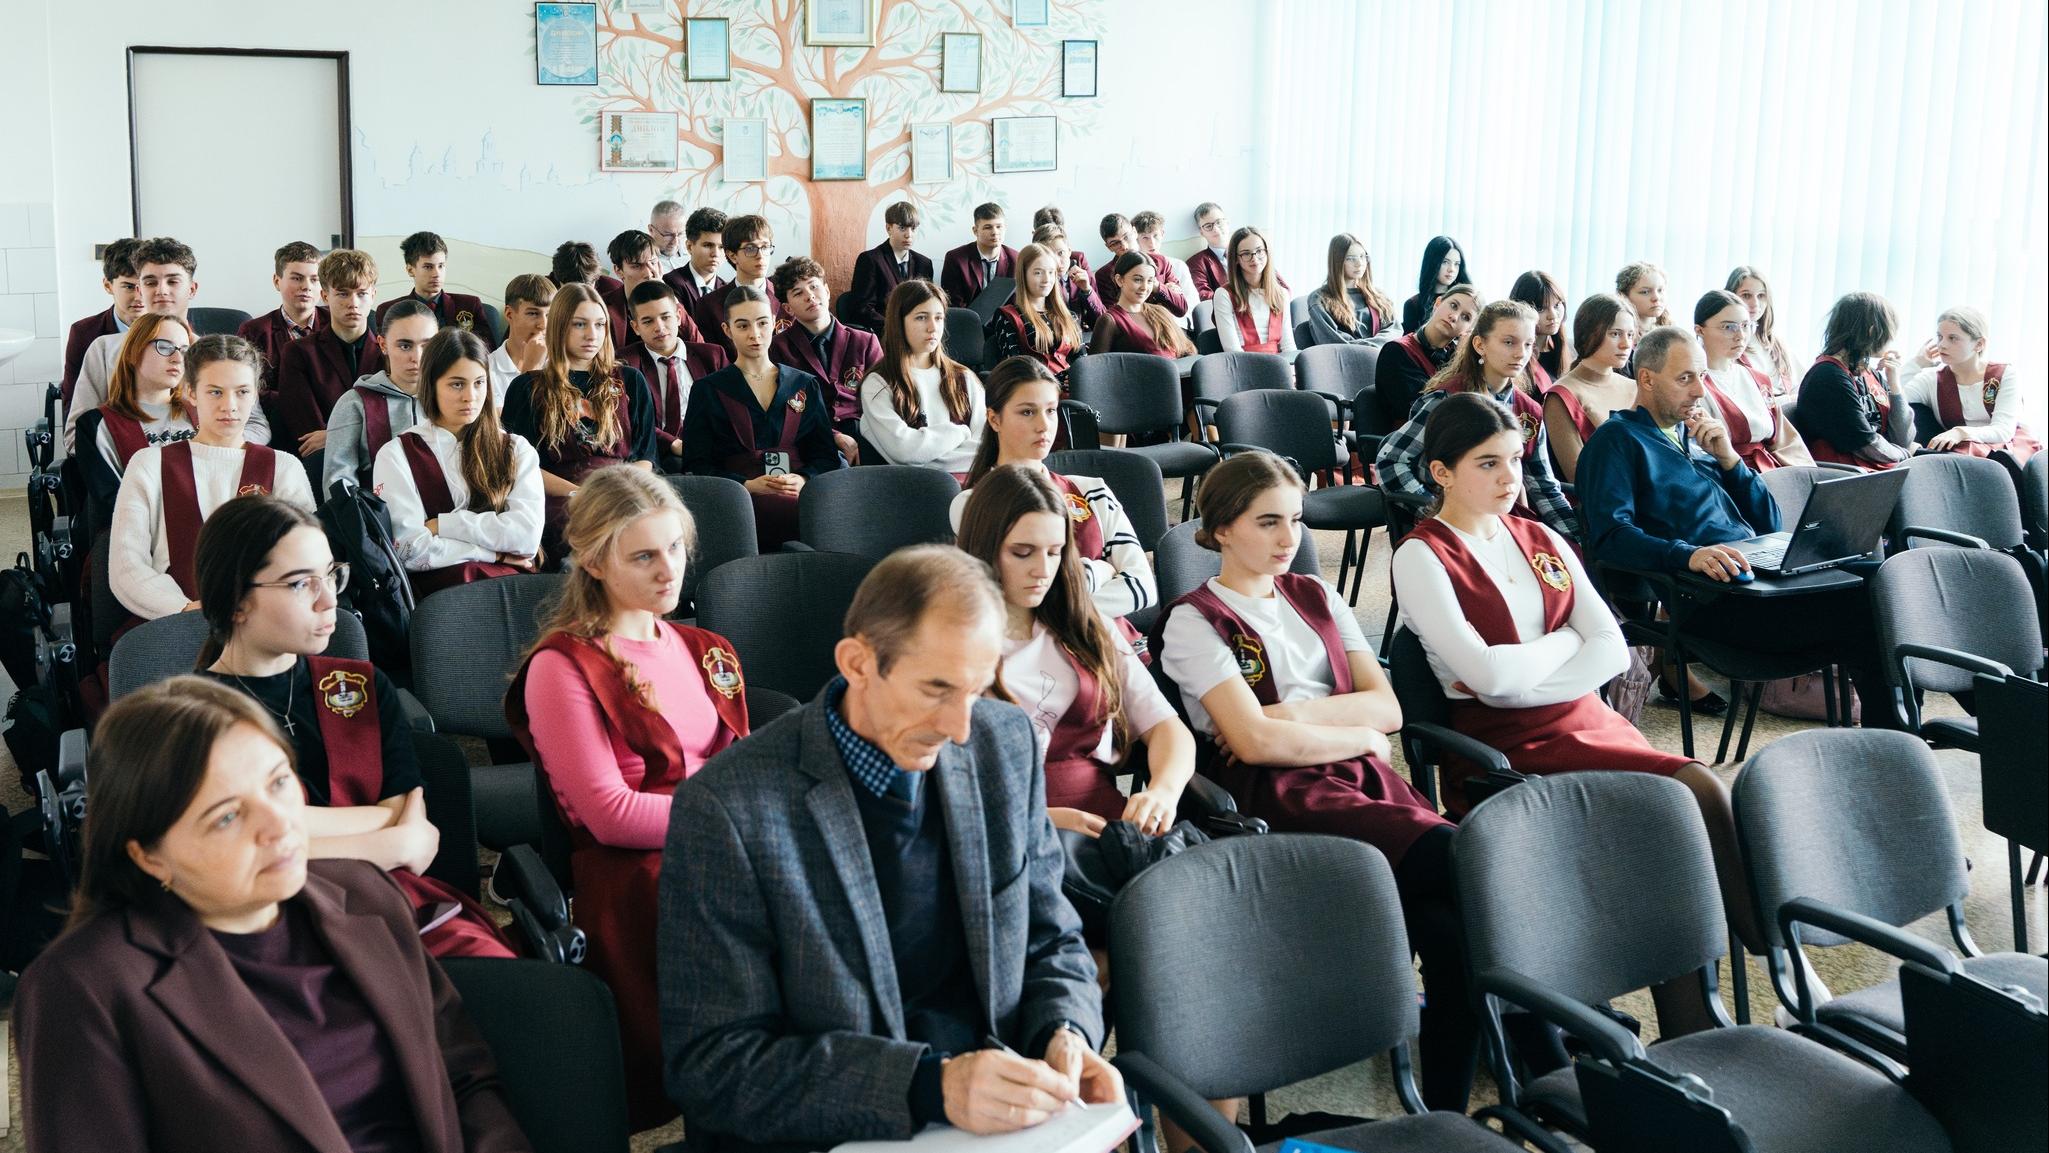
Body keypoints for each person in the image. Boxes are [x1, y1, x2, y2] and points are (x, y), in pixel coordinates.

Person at [659, 545, 1117, 1148]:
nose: (959, 727)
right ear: (857, 662)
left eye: (977, 690)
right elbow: (714, 1064)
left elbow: (1051, 936)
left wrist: (1062, 1031)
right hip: (838, 1128)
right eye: (936, 688)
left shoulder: (1002, 744)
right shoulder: (727, 811)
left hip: (997, 1114)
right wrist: (928, 1087)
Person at [15, 677, 532, 1153]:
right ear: (150, 856)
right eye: (227, 816)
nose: (279, 826)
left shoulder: (366, 895)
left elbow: (464, 1078)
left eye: (279, 782)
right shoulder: (83, 989)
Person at [1394, 392, 1762, 1024]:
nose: (1510, 478)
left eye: (1515, 459)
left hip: (1590, 723)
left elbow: (1613, 652)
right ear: (1441, 472)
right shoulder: (1421, 555)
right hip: (1503, 749)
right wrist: (1565, 646)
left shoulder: (1539, 537)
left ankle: (1704, 1002)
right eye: (1488, 464)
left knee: (1682, 815)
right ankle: (1765, 949)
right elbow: (1487, 680)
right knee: (1691, 791)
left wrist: (1533, 662)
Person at [1152, 451, 1474, 1110]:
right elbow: (1253, 742)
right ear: (1218, 528)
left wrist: (1293, 714)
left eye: (1294, 521)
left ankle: (1444, 1108)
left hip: (1356, 775)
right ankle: (1537, 1037)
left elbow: (1386, 708)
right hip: (1277, 792)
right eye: (1266, 521)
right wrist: (1352, 734)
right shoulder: (1192, 619)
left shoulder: (1318, 595)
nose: (1286, 539)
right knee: (1466, 859)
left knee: (1452, 929)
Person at [506, 466, 750, 1129]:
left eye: (674, 547)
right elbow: (609, 813)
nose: (667, 568)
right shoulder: (563, 667)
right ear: (591, 559)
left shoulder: (703, 648)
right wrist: (734, 822)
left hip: (717, 838)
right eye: (643, 555)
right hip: (636, 867)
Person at [194, 495, 517, 959]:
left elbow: (414, 830)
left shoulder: (360, 685)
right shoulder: (192, 715)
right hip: (268, 919)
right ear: (236, 600)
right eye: (301, 583)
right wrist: (390, 842)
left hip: (388, 901)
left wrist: (307, 835)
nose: (330, 600)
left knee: (491, 974)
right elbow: (246, 851)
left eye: (330, 574)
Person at [1578, 326, 1893, 723]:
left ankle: (1897, 738)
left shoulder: (1696, 437)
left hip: (1755, 577)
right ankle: (1899, 738)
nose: (1698, 391)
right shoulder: (1616, 441)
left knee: (1885, 578)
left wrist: (1729, 459)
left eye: (1702, 376)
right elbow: (1610, 538)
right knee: (1867, 612)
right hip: (1706, 600)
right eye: (1685, 378)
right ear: (1646, 379)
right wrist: (1688, 555)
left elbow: (1770, 522)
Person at [959, 462, 1192, 836]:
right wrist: (1043, 821)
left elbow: (1167, 730)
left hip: (1103, 822)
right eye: (1022, 553)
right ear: (984, 549)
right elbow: (929, 781)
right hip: (999, 829)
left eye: (1054, 552)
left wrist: (1162, 792)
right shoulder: (948, 638)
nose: (1042, 570)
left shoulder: (1086, 624)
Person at [111, 336, 314, 623]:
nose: (229, 405)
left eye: (242, 392)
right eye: (215, 392)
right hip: (173, 624)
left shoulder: (283, 467)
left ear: (255, 394)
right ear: (191, 392)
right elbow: (126, 565)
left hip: (264, 624)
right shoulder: (149, 465)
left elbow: (305, 560)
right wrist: (183, 610)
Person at [953, 357, 1158, 624]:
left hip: (1113, 646)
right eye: (1027, 412)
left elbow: (1142, 588)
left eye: (1051, 411)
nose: (1044, 425)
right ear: (994, 419)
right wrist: (1098, 571)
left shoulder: (1092, 491)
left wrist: (1060, 606)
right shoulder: (971, 503)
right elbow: (1011, 607)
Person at [1376, 300, 1579, 540]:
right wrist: (1437, 513)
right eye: (1508, 342)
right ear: (1480, 345)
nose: (1520, 353)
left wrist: (1578, 538)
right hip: (1451, 521)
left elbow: (1543, 484)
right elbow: (1390, 460)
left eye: (1528, 344)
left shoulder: (1529, 411)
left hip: (1500, 519)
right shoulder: (1448, 400)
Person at [374, 329, 543, 597]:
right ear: (431, 385)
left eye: (479, 383)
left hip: (514, 592)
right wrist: (494, 553)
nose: (470, 397)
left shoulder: (516, 449)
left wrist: (442, 526)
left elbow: (526, 539)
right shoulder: (396, 454)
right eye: (456, 384)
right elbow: (409, 550)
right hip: (441, 599)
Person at [501, 284, 660, 562]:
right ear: (560, 326)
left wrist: (621, 493)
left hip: (622, 492)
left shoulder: (630, 380)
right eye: (579, 324)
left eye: (599, 324)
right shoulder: (527, 387)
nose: (592, 334)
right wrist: (581, 494)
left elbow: (645, 457)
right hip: (561, 497)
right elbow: (522, 467)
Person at [683, 286, 845, 548]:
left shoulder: (804, 384)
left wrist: (803, 478)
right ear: (727, 330)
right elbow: (696, 464)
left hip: (798, 496)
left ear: (774, 324)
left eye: (761, 323)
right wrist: (746, 485)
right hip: (736, 502)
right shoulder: (707, 389)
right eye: (743, 326)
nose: (755, 335)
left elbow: (825, 455)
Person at [68, 237, 240, 452]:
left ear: (192, 289)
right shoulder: (103, 350)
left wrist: (219, 450)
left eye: (173, 281)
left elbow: (255, 424)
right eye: (150, 282)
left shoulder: (220, 354)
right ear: (140, 289)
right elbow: (78, 435)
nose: (161, 291)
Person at [78, 314, 195, 534]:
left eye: (185, 350)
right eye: (164, 346)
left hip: (211, 537)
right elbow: (114, 505)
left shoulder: (202, 412)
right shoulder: (96, 425)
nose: (178, 358)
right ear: (133, 351)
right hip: (137, 540)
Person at [860, 280, 987, 476]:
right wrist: (960, 432)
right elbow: (904, 451)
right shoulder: (878, 384)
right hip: (912, 494)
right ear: (898, 322)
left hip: (969, 488)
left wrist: (925, 457)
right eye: (921, 318)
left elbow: (986, 447)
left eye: (939, 318)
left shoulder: (964, 378)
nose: (932, 327)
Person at [275, 248, 383, 455]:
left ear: (373, 296)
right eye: (343, 293)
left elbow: (392, 425)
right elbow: (309, 435)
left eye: (361, 294)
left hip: (378, 460)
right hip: (322, 462)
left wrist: (334, 436)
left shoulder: (387, 354)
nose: (353, 303)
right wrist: (365, 434)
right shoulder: (298, 353)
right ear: (325, 295)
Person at [321, 298, 437, 490]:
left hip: (448, 515)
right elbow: (339, 482)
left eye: (426, 345)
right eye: (405, 346)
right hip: (378, 514)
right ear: (383, 344)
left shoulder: (451, 398)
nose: (417, 357)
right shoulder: (355, 403)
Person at [770, 255, 883, 451]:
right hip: (810, 437)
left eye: (814, 286)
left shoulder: (864, 341)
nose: (810, 296)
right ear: (787, 308)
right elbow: (782, 410)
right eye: (798, 293)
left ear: (828, 291)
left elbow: (884, 397)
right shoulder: (778, 348)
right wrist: (834, 437)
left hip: (868, 433)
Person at [1790, 292, 1913, 469]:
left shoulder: (1868, 373)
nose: (1892, 340)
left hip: (1880, 467)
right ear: (1872, 331)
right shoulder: (1828, 376)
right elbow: (1866, 444)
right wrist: (1905, 454)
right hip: (1849, 475)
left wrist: (1895, 385)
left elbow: (1902, 438)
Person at [1901, 306, 2039, 462]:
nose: (1942, 345)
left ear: (1979, 344)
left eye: (1953, 338)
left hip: (2009, 452)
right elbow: (1898, 400)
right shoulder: (1932, 379)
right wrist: (1917, 363)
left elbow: (2003, 430)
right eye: (1940, 337)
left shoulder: (2005, 374)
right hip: (1963, 454)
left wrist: (1960, 432)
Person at [1693, 290, 1811, 471]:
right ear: (1700, 330)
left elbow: (1786, 442)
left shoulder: (1757, 378)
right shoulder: (1694, 384)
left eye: (1746, 325)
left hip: (1771, 469)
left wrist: (1808, 476)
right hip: (1725, 474)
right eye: (1728, 327)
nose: (1740, 335)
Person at [619, 279, 730, 468]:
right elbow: (627, 420)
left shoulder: (712, 355)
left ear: (678, 316)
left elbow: (729, 410)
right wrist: (672, 443)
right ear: (635, 327)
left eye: (665, 317)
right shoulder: (625, 363)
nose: (659, 327)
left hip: (710, 451)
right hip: (652, 456)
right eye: (648, 321)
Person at [1542, 293, 1640, 484]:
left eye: (1630, 334)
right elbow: (1579, 476)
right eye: (1615, 334)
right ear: (1589, 334)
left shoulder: (1636, 387)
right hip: (1607, 502)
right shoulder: (1561, 396)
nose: (1626, 344)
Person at [1372, 283, 1478, 431]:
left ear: (1469, 330)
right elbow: (1422, 411)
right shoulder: (1396, 351)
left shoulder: (1456, 355)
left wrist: (1464, 359)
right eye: (1453, 305)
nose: (1454, 317)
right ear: (1438, 303)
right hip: (1412, 439)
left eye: (1465, 317)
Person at [237, 240, 326, 409]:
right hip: (279, 420)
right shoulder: (253, 331)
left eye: (314, 279)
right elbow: (248, 390)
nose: (306, 286)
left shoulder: (334, 323)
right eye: (297, 278)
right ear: (277, 281)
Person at [62, 237, 144, 411]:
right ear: (108, 286)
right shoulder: (84, 333)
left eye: (146, 285)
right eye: (129, 287)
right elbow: (73, 402)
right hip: (106, 429)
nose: (139, 296)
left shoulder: (173, 330)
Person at [986, 243, 1085, 385]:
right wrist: (1060, 380)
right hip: (1035, 394)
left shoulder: (1069, 316)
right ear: (1023, 275)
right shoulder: (1008, 316)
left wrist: (1078, 379)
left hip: (1075, 393)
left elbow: (1082, 363)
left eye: (1051, 272)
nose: (1046, 279)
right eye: (1038, 272)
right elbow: (1015, 371)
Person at [692, 214, 782, 357]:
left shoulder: (786, 295)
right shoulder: (709, 305)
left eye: (765, 247)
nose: (761, 256)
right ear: (733, 255)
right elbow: (712, 359)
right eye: (750, 249)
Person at [373, 231, 486, 336]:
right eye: (428, 267)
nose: (436, 274)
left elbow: (486, 350)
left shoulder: (470, 305)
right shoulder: (388, 311)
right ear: (410, 270)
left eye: (441, 266)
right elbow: (384, 355)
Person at [602, 229, 698, 352]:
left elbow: (698, 345)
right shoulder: (603, 307)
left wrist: (668, 295)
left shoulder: (674, 298)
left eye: (652, 262)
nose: (648, 273)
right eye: (637, 266)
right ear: (618, 271)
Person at [847, 200, 935, 333]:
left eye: (913, 229)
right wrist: (897, 328)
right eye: (902, 228)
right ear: (888, 228)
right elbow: (862, 308)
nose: (908, 235)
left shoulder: (924, 263)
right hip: (883, 332)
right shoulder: (870, 260)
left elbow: (928, 304)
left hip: (918, 332)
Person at [1090, 252, 1197, 359]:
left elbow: (1187, 350)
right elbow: (1096, 369)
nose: (1144, 287)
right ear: (1119, 280)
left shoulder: (1160, 312)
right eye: (1138, 279)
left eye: (1150, 281)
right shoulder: (1109, 321)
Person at [1211, 226, 1296, 355]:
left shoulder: (1281, 294)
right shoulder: (1224, 295)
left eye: (1259, 251)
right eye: (1246, 253)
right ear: (1236, 259)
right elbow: (1233, 351)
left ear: (1267, 252)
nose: (1254, 258)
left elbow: (1288, 345)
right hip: (1244, 366)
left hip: (1280, 365)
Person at [1305, 233, 1398, 348]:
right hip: (1343, 362)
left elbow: (1395, 332)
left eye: (1362, 256)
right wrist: (1373, 347)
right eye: (1350, 258)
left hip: (1381, 360)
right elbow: (1333, 341)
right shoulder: (1320, 299)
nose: (1359, 263)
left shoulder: (1380, 297)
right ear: (1337, 262)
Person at [1093, 214, 1188, 318]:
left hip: (1166, 325)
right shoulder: (1104, 275)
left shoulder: (1161, 262)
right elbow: (1114, 317)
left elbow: (1181, 309)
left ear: (1134, 232)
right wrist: (1165, 290)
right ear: (1108, 247)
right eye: (1115, 243)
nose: (1124, 246)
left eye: (1126, 237)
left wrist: (1158, 287)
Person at [1725, 265, 1798, 398]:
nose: (1755, 303)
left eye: (1761, 296)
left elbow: (1799, 387)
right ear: (1730, 297)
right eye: (1746, 295)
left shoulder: (1776, 344)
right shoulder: (1726, 345)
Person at [487, 273, 555, 406]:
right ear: (509, 314)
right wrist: (531, 370)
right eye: (533, 313)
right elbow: (510, 423)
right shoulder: (487, 370)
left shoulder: (563, 365)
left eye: (549, 314)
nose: (543, 324)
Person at [940, 201, 1018, 309]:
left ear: (1005, 228)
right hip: (967, 321)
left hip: (1005, 322)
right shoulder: (955, 259)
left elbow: (1016, 302)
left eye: (999, 226)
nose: (995, 232)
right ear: (975, 231)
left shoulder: (1016, 259)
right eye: (988, 227)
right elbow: (954, 303)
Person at [1132, 211, 1202, 325]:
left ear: (1162, 234)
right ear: (1136, 239)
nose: (1152, 243)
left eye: (1155, 236)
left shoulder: (1178, 266)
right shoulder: (1133, 269)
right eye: (1145, 238)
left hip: (1179, 324)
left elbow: (1193, 303)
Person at [1030, 223, 1103, 330]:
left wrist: (1087, 291)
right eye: (1049, 256)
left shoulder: (1080, 275)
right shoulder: (1036, 283)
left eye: (1061, 253)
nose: (1058, 262)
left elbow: (1103, 322)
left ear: (1069, 251)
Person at [660, 206, 731, 314]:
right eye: (707, 245)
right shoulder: (671, 283)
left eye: (721, 247)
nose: (716, 254)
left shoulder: (728, 290)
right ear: (689, 246)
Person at [1508, 270, 1570, 386]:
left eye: (1557, 305)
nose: (1552, 315)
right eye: (1541, 308)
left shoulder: (1559, 349)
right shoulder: (1517, 355)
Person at [1400, 235, 1468, 334]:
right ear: (1432, 263)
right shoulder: (1413, 304)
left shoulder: (1466, 300)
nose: (1452, 269)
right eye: (1445, 262)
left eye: (1456, 264)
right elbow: (1408, 345)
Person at [1188, 202, 1231, 300]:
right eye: (1208, 226)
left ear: (1227, 223)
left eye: (1219, 222)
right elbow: (1203, 295)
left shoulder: (1248, 249)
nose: (1215, 229)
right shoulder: (1196, 263)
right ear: (1201, 232)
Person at [1615, 261, 1672, 333]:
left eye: (1660, 290)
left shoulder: (1672, 331)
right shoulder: (1617, 334)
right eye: (1645, 292)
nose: (1656, 298)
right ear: (1624, 296)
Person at [649, 198, 691, 275]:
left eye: (680, 234)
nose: (675, 242)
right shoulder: (642, 263)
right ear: (651, 230)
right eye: (668, 235)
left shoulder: (693, 255)